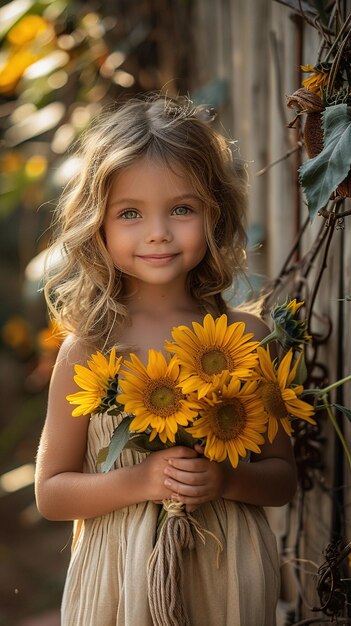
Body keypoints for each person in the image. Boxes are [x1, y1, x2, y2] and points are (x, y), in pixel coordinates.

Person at [35, 94, 297, 626]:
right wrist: (143, 480)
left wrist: (225, 480)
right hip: (121, 581)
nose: (157, 231)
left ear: (214, 215)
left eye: (182, 209)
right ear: (98, 226)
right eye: (130, 213)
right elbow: (51, 492)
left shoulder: (246, 339)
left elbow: (282, 477)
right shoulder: (88, 350)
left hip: (227, 572)